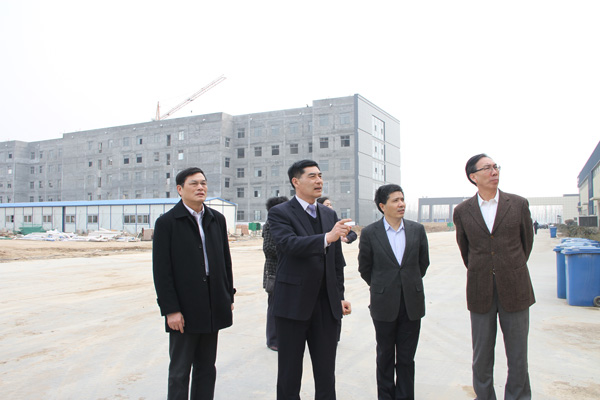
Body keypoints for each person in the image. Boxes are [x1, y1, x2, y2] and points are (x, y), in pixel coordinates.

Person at [267, 159, 352, 400]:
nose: (319, 181)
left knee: (326, 372)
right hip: (293, 304)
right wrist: (327, 238)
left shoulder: (328, 213)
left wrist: (340, 296)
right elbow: (288, 244)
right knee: (289, 373)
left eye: (320, 176)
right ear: (296, 181)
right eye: (312, 176)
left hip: (326, 304)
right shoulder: (280, 212)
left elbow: (336, 261)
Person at [453, 154, 535, 400]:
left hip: (516, 288)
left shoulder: (518, 204)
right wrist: (484, 270)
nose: (494, 171)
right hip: (480, 290)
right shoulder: (462, 211)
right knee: (482, 356)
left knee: (518, 355)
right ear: (473, 177)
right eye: (487, 168)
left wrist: (509, 267)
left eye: (495, 166)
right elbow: (466, 250)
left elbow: (526, 244)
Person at [153, 167, 235, 400]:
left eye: (203, 183)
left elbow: (225, 261)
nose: (201, 188)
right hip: (184, 307)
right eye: (194, 184)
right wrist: (171, 310)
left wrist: (228, 295)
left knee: (206, 368)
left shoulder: (216, 219)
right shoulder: (167, 222)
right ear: (180, 189)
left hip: (213, 303)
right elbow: (161, 271)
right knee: (180, 371)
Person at [358, 184, 430, 400]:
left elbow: (423, 263)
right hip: (383, 304)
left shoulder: (417, 230)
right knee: (385, 355)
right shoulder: (370, 233)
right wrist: (383, 286)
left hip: (411, 303)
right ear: (382, 206)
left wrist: (407, 283)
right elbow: (365, 268)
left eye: (402, 199)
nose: (401, 204)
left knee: (407, 358)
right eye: (395, 200)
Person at [262, 196, 289, 351]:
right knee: (274, 307)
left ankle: (283, 337)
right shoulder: (270, 225)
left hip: (287, 271)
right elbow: (268, 248)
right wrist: (290, 250)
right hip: (274, 273)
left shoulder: (286, 224)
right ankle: (273, 340)